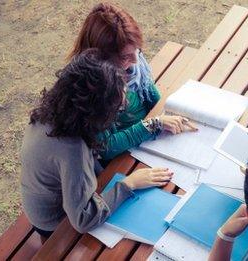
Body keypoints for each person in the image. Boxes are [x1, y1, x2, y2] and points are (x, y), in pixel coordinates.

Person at [20, 49, 173, 238]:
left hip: (56, 196)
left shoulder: (53, 113)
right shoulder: (73, 149)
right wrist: (128, 184)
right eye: (116, 109)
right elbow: (83, 219)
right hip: (56, 221)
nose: (119, 112)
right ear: (96, 111)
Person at [67, 2, 197, 162]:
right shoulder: (89, 88)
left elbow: (151, 98)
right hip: (124, 156)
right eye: (125, 57)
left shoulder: (132, 61)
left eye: (137, 50)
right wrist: (152, 124)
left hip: (148, 141)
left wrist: (168, 114)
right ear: (100, 59)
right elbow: (105, 148)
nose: (136, 61)